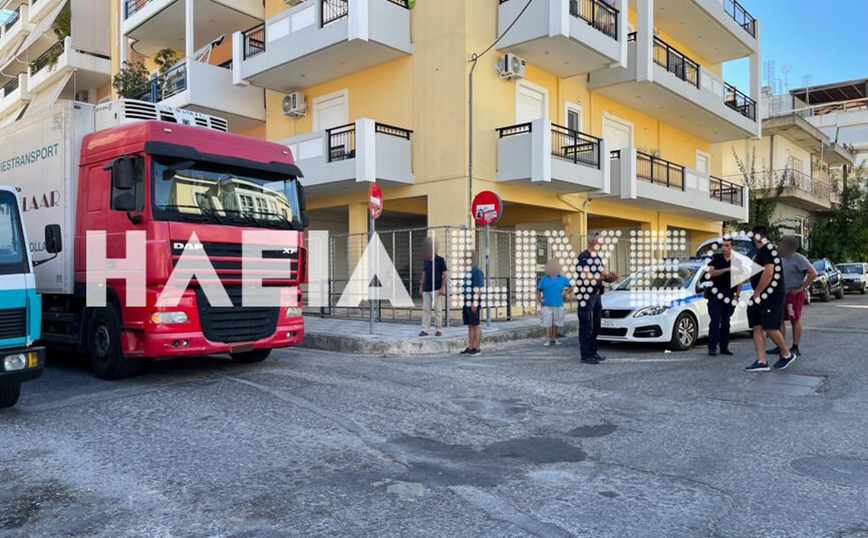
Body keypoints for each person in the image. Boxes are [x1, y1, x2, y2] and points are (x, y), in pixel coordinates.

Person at [743, 225, 797, 372]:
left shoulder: (768, 250)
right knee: (757, 325)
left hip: (770, 294)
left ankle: (786, 354)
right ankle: (762, 361)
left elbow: (768, 273)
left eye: (752, 238)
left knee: (770, 326)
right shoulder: (761, 252)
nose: (751, 241)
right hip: (761, 294)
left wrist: (758, 293)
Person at [768, 236, 817, 358]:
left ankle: (795, 347)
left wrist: (802, 287)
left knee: (794, 319)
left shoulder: (798, 258)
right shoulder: (780, 258)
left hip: (793, 294)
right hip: (780, 293)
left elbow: (813, 273)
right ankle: (781, 346)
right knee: (780, 320)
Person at [576, 233, 619, 364]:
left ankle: (593, 352)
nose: (602, 243)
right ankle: (585, 355)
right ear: (592, 241)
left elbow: (603, 272)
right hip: (586, 294)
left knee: (596, 325)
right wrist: (604, 278)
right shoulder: (584, 257)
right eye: (600, 240)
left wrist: (609, 277)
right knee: (586, 325)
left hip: (596, 294)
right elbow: (586, 277)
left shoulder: (597, 257)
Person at [705, 237, 740, 356]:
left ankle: (724, 347)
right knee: (715, 320)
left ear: (732, 247)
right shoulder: (716, 258)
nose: (724, 248)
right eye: (723, 246)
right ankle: (712, 347)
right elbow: (711, 273)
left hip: (729, 294)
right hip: (715, 293)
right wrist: (726, 269)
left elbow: (739, 280)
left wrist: (737, 296)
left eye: (727, 246)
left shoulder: (737, 260)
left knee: (726, 321)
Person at [537, 260, 572, 347]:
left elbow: (572, 286)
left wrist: (566, 292)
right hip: (546, 305)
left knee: (556, 323)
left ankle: (553, 339)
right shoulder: (544, 278)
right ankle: (548, 340)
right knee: (547, 323)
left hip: (558, 304)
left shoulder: (562, 278)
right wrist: (540, 299)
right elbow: (538, 290)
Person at [419, 237, 447, 337]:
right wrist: (421, 286)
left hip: (436, 288)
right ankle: (424, 330)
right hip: (427, 289)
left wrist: (443, 288)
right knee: (426, 310)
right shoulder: (426, 261)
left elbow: (445, 274)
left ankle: (438, 329)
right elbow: (424, 273)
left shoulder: (440, 260)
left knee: (437, 310)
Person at [460, 251, 484, 356]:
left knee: (475, 323)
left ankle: (477, 347)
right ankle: (470, 347)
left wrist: (475, 302)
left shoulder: (477, 271)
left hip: (473, 300)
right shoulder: (469, 271)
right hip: (467, 299)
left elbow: (478, 287)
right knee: (470, 324)